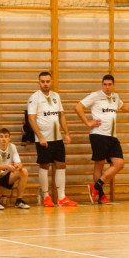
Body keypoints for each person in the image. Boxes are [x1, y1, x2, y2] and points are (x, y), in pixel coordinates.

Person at [75, 74, 129, 204]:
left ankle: (95, 187)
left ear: (113, 85)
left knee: (119, 164)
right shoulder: (95, 95)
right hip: (98, 135)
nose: (107, 87)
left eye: (109, 84)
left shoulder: (115, 97)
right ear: (102, 85)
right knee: (99, 165)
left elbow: (123, 107)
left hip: (112, 137)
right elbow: (78, 107)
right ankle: (101, 196)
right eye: (105, 84)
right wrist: (88, 123)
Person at [27, 71, 78, 207]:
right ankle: (45, 196)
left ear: (51, 81)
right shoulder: (34, 98)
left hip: (57, 138)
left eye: (47, 81)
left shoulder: (56, 96)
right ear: (39, 82)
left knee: (61, 164)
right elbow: (31, 118)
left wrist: (66, 133)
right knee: (45, 165)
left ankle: (62, 197)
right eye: (42, 81)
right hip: (44, 139)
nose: (45, 84)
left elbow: (61, 115)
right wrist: (40, 136)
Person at [0, 128, 30, 209]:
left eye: (6, 137)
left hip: (6, 176)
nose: (4, 139)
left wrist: (18, 166)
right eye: (1, 137)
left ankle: (19, 200)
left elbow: (19, 163)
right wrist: (8, 166)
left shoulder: (12, 147)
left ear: (10, 138)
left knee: (24, 171)